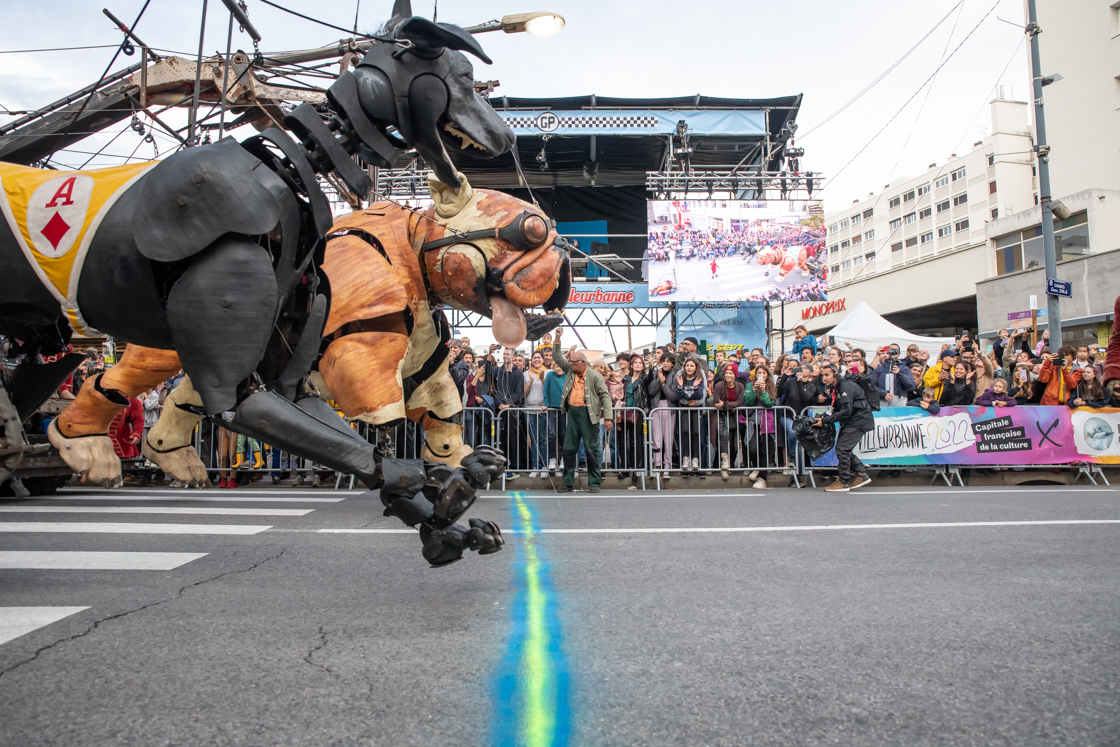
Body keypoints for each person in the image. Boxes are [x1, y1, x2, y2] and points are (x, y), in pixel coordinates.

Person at [553, 327, 613, 493]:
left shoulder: (595, 376)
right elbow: (557, 357)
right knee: (568, 449)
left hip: (589, 415)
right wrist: (557, 338)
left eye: (573, 362)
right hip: (572, 413)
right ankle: (568, 482)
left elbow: (605, 396)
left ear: (583, 363)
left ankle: (594, 483)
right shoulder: (571, 371)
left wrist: (608, 417)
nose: (570, 364)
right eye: (570, 362)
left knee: (592, 449)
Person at [815, 363, 875, 492]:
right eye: (822, 375)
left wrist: (825, 420)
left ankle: (843, 480)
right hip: (853, 421)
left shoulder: (845, 385)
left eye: (827, 375)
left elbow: (846, 411)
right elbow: (834, 408)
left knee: (842, 449)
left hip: (858, 421)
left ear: (835, 375)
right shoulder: (836, 388)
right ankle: (860, 474)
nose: (824, 378)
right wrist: (823, 417)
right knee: (843, 449)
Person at [487, 345, 525, 477]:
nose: (505, 356)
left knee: (513, 440)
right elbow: (487, 371)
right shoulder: (498, 371)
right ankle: (503, 467)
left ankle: (515, 468)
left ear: (513, 357)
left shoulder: (518, 373)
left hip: (512, 413)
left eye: (508, 354)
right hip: (499, 412)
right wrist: (490, 352)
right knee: (500, 440)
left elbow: (518, 392)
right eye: (504, 354)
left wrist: (508, 404)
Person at [670, 355, 707, 477]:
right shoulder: (681, 378)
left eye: (692, 366)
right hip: (684, 409)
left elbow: (699, 395)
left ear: (696, 367)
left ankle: (695, 459)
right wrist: (680, 386)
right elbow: (679, 396)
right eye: (687, 365)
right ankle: (685, 458)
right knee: (684, 431)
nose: (689, 368)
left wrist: (696, 387)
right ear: (684, 367)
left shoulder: (699, 378)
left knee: (696, 433)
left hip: (696, 409)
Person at [742, 364, 777, 488]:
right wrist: (755, 390)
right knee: (752, 447)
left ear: (768, 375)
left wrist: (763, 391)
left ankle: (763, 477)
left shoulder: (771, 386)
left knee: (764, 450)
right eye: (759, 373)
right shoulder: (750, 385)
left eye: (764, 373)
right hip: (753, 421)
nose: (761, 375)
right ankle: (756, 467)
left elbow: (769, 403)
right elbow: (748, 401)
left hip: (766, 422)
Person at [710, 365, 745, 481]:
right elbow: (716, 402)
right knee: (724, 436)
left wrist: (725, 405)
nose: (728, 375)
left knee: (734, 439)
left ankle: (730, 464)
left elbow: (739, 402)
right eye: (727, 373)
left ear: (735, 375)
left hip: (735, 416)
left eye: (731, 373)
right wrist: (730, 405)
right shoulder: (719, 385)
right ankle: (724, 462)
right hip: (721, 416)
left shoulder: (740, 386)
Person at [618, 353, 649, 484]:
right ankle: (624, 467)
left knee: (635, 441)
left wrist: (651, 364)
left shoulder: (644, 379)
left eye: (639, 363)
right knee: (622, 441)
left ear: (643, 366)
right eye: (635, 362)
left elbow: (651, 377)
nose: (637, 364)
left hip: (638, 412)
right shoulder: (625, 379)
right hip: (624, 412)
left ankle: (636, 469)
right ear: (631, 365)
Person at [648, 352, 677, 480]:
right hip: (656, 407)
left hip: (669, 408)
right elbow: (650, 391)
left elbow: (673, 396)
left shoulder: (676, 376)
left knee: (668, 438)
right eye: (663, 361)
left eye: (668, 361)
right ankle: (657, 465)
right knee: (656, 438)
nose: (665, 363)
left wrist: (664, 384)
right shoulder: (656, 373)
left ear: (672, 363)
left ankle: (667, 466)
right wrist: (659, 381)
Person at [523, 351, 548, 478]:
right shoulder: (525, 374)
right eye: (534, 358)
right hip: (529, 410)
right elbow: (524, 393)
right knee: (533, 440)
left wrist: (542, 378)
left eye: (539, 357)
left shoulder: (548, 373)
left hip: (543, 410)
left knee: (543, 439)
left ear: (543, 360)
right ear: (531, 360)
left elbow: (548, 390)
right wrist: (531, 380)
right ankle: (535, 466)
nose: (537, 360)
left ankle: (544, 466)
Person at [543, 360, 566, 474]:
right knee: (551, 434)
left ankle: (563, 459)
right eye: (556, 366)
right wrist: (546, 403)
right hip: (552, 408)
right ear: (553, 367)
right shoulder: (550, 375)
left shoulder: (567, 375)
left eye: (561, 366)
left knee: (563, 434)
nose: (559, 368)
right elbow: (546, 389)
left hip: (564, 409)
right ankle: (552, 459)